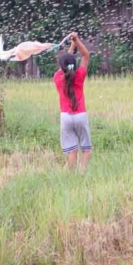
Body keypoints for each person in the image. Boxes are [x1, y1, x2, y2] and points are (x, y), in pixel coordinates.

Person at [53, 32, 92, 172]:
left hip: (66, 117)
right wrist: (76, 41)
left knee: (72, 151)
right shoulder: (79, 76)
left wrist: (71, 46)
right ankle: (82, 174)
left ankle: (70, 176)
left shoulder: (57, 78)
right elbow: (86, 55)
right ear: (74, 65)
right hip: (80, 115)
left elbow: (65, 63)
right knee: (86, 149)